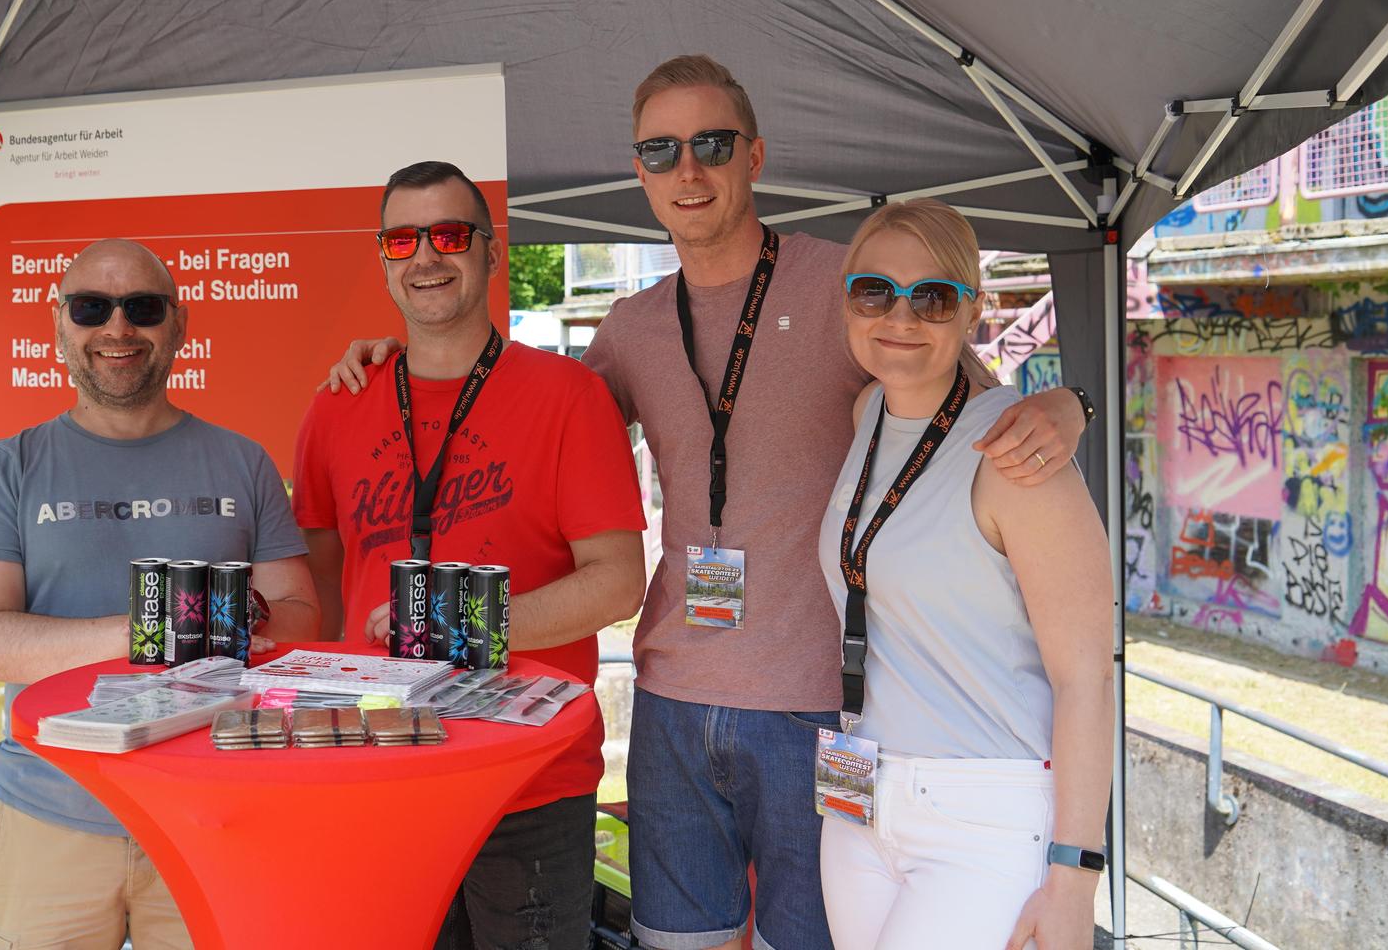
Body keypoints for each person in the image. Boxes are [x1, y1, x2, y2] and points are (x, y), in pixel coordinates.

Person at [322, 55, 1090, 950]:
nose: (688, 170)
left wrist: (1067, 405)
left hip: (820, 707)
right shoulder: (632, 327)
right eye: (661, 150)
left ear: (754, 157)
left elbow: (970, 409)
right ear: (638, 171)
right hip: (674, 697)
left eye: (711, 144)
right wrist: (403, 352)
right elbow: (519, 414)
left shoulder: (852, 288)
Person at [293, 161, 648, 949]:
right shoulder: (339, 402)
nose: (426, 256)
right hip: (377, 770)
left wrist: (462, 625)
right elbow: (316, 583)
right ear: (382, 259)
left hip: (529, 782)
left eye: (450, 234)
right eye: (403, 239)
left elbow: (619, 582)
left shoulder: (568, 397)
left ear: (490, 251)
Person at [0, 238, 319, 950]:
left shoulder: (244, 462)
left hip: (216, 816)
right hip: (49, 812)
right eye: (92, 308)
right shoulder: (9, 467)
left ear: (180, 325)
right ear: (60, 325)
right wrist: (151, 628)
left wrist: (246, 625)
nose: (117, 329)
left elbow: (299, 614)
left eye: (142, 308)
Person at [816, 200, 1112, 950]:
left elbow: (1086, 679)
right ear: (848, 297)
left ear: (972, 312)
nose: (901, 316)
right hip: (860, 799)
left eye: (935, 298)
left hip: (981, 816)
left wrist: (1075, 880)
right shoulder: (866, 414)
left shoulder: (1020, 454)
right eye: (875, 291)